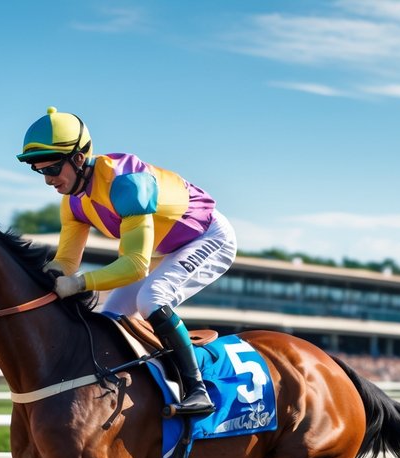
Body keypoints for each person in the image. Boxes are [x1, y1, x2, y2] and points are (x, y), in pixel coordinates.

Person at [16, 107, 237, 416]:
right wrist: (43, 279)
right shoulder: (74, 202)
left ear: (79, 158)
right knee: (111, 317)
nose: (47, 180)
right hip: (163, 249)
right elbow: (66, 261)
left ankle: (197, 389)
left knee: (152, 297)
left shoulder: (128, 184)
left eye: (52, 169)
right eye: (39, 171)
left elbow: (135, 266)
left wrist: (80, 283)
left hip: (208, 237)